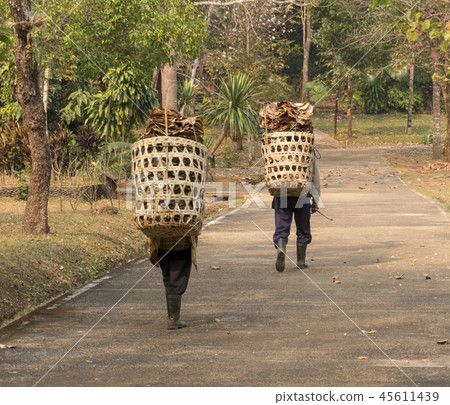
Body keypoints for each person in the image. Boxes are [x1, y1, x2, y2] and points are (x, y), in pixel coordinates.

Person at [273, 154, 321, 272]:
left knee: (282, 226)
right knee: (303, 227)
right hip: (302, 192)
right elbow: (315, 178)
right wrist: (315, 200)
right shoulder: (307, 152)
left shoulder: (277, 152)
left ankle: (281, 248)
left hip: (282, 191)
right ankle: (301, 262)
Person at [148, 235, 198, 329]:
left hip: (162, 245)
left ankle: (172, 317)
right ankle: (173, 319)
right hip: (181, 246)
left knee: (168, 277)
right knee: (177, 280)